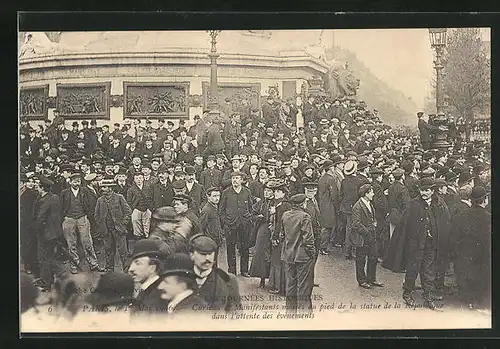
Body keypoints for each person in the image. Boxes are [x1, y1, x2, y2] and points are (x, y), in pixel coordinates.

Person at [401, 178, 450, 311]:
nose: (424, 193)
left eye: (427, 190)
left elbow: (444, 222)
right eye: (422, 190)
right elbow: (406, 225)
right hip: (416, 244)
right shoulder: (413, 204)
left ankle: (428, 295)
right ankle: (407, 293)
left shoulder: (439, 203)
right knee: (413, 268)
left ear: (433, 190)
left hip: (431, 244)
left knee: (429, 270)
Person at [451, 186, 491, 311]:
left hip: (464, 254)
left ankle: (468, 300)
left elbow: (454, 235)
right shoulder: (488, 217)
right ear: (485, 200)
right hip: (481, 256)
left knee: (467, 277)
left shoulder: (463, 213)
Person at [281, 193, 317, 314]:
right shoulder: (305, 216)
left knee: (290, 285)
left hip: (288, 255)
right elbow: (308, 239)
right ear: (302, 204)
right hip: (302, 256)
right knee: (304, 287)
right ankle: (304, 315)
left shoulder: (285, 215)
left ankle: (290, 314)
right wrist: (312, 253)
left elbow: (282, 235)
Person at [60, 173, 103, 274]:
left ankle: (94, 264)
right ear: (70, 182)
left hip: (82, 218)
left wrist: (87, 216)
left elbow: (89, 204)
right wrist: (64, 218)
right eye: (74, 181)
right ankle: (74, 264)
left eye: (78, 181)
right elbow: (61, 207)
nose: (76, 183)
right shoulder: (64, 193)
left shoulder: (84, 191)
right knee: (71, 243)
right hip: (69, 219)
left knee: (87, 242)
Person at [190, 235, 242, 312]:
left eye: (210, 254)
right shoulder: (181, 280)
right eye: (203, 254)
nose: (207, 258)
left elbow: (236, 315)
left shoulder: (228, 280)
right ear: (192, 255)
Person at [219, 171, 254, 277]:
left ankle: (244, 270)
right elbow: (221, 210)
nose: (235, 180)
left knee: (245, 247)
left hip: (244, 224)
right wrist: (225, 221)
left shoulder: (247, 192)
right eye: (233, 178)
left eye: (237, 178)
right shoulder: (226, 192)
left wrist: (248, 218)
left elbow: (251, 208)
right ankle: (232, 270)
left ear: (241, 180)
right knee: (230, 247)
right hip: (230, 224)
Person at [33, 176, 63, 291]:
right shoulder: (55, 197)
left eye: (38, 187)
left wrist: (36, 229)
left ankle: (46, 283)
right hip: (54, 233)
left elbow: (40, 218)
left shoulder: (44, 200)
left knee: (43, 258)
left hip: (45, 234)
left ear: (42, 188)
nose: (37, 189)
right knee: (50, 257)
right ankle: (49, 279)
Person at [94, 179, 132, 272]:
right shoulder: (100, 200)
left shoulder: (119, 197)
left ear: (110, 188)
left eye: (105, 187)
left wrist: (123, 223)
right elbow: (96, 215)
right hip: (106, 230)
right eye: (102, 187)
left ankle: (127, 271)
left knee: (123, 252)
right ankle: (109, 270)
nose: (102, 189)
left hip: (118, 229)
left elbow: (128, 211)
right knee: (108, 251)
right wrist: (102, 225)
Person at [351, 184, 384, 289]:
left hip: (371, 235)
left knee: (373, 257)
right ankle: (362, 280)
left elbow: (372, 217)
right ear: (366, 194)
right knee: (361, 259)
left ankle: (371, 278)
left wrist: (374, 223)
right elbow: (356, 224)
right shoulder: (358, 206)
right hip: (363, 237)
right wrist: (367, 232)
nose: (373, 194)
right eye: (371, 192)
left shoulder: (369, 204)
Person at [128, 239, 168, 316]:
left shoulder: (156, 299)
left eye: (138, 263)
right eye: (132, 263)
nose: (130, 269)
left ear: (152, 268)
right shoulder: (149, 290)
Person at [249, 183, 274, 286]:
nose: (266, 193)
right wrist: (258, 217)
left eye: (269, 191)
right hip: (263, 229)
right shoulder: (261, 203)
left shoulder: (276, 203)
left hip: (273, 229)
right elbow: (252, 213)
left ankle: (273, 279)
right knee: (261, 253)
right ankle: (262, 278)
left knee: (273, 254)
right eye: (265, 191)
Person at [317, 159, 340, 255]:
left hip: (322, 203)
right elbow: (334, 195)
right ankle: (323, 247)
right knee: (327, 227)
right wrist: (337, 206)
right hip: (329, 204)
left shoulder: (322, 178)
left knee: (325, 226)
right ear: (330, 168)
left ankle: (323, 246)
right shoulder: (331, 179)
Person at [127, 172, 153, 239]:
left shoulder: (148, 188)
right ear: (134, 180)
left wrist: (150, 208)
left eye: (140, 178)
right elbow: (129, 201)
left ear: (143, 178)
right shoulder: (131, 190)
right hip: (136, 209)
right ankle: (138, 238)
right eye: (137, 178)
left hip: (146, 209)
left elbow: (151, 198)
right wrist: (133, 209)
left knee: (147, 225)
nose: (139, 180)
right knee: (136, 223)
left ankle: (147, 238)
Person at [199, 187, 223, 259]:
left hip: (216, 239)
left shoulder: (215, 207)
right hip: (210, 240)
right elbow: (201, 226)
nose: (217, 198)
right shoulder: (207, 210)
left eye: (218, 196)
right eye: (214, 196)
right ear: (208, 197)